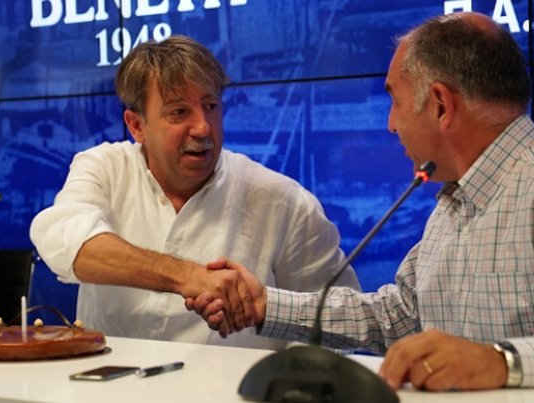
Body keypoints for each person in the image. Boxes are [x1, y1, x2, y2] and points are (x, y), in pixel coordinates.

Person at [188, 12, 534, 391]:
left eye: (395, 101)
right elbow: (399, 316)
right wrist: (265, 305)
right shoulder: (454, 201)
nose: (390, 124)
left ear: (440, 105)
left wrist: (500, 362)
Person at [29, 35, 359, 348]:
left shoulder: (283, 201)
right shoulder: (104, 167)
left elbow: (337, 326)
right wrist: (188, 277)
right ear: (136, 126)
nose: (202, 127)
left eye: (211, 106)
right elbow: (65, 240)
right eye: (179, 112)